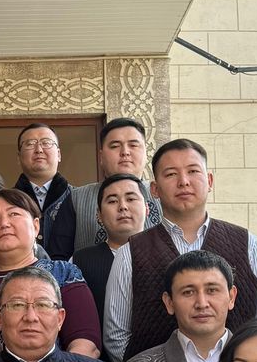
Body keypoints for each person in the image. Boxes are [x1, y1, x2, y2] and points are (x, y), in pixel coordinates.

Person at [104, 138, 257, 362]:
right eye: (171, 174)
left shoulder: (246, 243)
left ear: (209, 180)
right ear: (154, 189)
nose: (183, 182)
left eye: (193, 171)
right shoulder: (131, 252)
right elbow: (116, 336)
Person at [0, 188, 101, 358]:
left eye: (14, 214)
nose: (4, 224)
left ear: (36, 225)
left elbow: (86, 344)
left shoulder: (63, 274)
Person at [41, 116, 162, 259]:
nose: (125, 152)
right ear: (101, 156)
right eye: (115, 146)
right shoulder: (76, 198)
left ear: (146, 153)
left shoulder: (163, 193)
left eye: (133, 145)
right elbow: (58, 259)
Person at [71, 171, 148, 326]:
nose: (123, 207)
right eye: (112, 201)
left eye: (131, 199)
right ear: (99, 215)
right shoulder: (78, 263)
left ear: (147, 209)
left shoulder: (167, 255)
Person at [13, 122, 71, 218]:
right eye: (30, 144)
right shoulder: (7, 201)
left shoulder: (78, 198)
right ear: (19, 157)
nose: (39, 150)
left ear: (59, 155)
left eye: (46, 143)